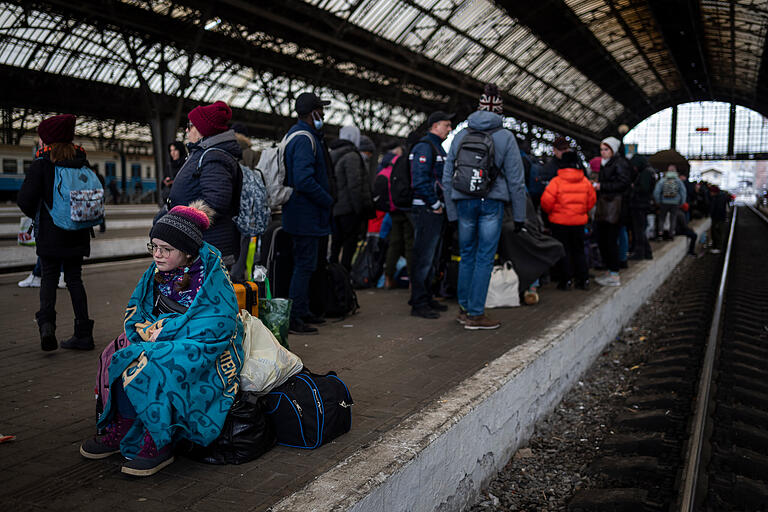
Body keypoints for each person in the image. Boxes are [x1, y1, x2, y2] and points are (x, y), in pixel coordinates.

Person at [79, 201, 243, 477]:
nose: (157, 254)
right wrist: (149, 331)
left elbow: (218, 324)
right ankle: (124, 425)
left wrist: (165, 330)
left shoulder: (212, 276)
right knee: (119, 349)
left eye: (166, 249)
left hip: (204, 346)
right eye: (153, 246)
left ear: (188, 252)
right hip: (164, 336)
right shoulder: (156, 272)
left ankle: (159, 440)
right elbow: (138, 310)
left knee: (157, 362)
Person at [443, 84, 526, 329]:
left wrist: (451, 211)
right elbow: (516, 180)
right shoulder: (506, 137)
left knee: (466, 255)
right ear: (500, 112)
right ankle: (476, 315)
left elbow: (448, 174)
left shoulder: (460, 134)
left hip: (463, 201)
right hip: (491, 203)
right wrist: (520, 216)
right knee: (484, 258)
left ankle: (464, 308)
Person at [17, 114, 95, 351]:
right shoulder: (82, 161)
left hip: (51, 233)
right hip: (78, 231)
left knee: (49, 277)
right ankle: (83, 334)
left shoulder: (42, 163)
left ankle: (47, 327)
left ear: (47, 139)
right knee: (74, 279)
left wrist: (41, 213)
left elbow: (25, 199)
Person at [166, 100, 242, 267]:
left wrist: (176, 220)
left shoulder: (214, 157)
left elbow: (216, 202)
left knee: (204, 293)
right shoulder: (203, 154)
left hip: (208, 246)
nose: (186, 129)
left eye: (190, 125)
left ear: (202, 129)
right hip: (199, 242)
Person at [282, 92, 334, 335]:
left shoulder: (298, 135)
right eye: (321, 110)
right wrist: (327, 199)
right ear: (313, 113)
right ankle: (295, 318)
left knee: (306, 264)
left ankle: (302, 311)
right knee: (304, 265)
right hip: (306, 215)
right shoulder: (304, 139)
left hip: (302, 215)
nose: (323, 114)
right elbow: (303, 179)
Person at [408, 110, 453, 318]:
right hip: (427, 209)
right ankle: (419, 302)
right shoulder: (425, 147)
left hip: (434, 209)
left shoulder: (437, 147)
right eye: (447, 124)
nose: (449, 128)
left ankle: (426, 297)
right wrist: (434, 203)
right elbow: (419, 179)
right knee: (424, 257)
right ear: (435, 126)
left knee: (432, 256)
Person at [540, 151, 596, 290]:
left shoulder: (556, 182)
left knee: (563, 251)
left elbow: (546, 202)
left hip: (559, 222)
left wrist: (552, 213)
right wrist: (581, 211)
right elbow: (591, 201)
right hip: (579, 222)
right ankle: (583, 280)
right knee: (579, 250)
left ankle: (565, 281)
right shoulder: (585, 182)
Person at [330, 125, 371, 270]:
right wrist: (360, 209)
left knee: (335, 246)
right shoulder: (352, 156)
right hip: (349, 209)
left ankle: (333, 280)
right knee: (348, 247)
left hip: (335, 208)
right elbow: (355, 185)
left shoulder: (332, 154)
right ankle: (344, 280)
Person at [593, 136, 631, 287]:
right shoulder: (606, 163)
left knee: (610, 240)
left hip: (614, 208)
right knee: (604, 239)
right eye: (601, 149)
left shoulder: (619, 163)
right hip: (606, 207)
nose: (603, 152)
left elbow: (623, 183)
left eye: (606, 149)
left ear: (613, 150)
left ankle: (614, 274)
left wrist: (601, 186)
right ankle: (610, 271)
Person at [229, 123, 261, 283]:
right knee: (248, 246)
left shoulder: (226, 152)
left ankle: (234, 277)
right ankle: (247, 278)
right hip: (249, 207)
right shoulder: (253, 155)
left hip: (230, 206)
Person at [628, 154, 656, 260]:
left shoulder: (645, 173)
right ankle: (647, 253)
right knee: (640, 230)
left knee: (639, 230)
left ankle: (640, 253)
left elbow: (644, 188)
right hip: (644, 204)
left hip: (640, 204)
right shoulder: (649, 171)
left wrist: (634, 187)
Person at [653, 165, 686, 240]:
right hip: (675, 202)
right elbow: (683, 192)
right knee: (673, 218)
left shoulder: (663, 180)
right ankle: (671, 234)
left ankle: (660, 234)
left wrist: (658, 201)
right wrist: (682, 202)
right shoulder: (678, 180)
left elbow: (656, 191)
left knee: (662, 218)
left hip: (664, 202)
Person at [708, 185, 729, 254]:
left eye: (711, 191)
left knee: (717, 232)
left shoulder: (718, 198)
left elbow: (717, 209)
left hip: (718, 218)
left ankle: (717, 247)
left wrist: (715, 218)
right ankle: (717, 246)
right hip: (719, 218)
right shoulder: (721, 196)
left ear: (714, 192)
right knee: (717, 232)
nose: (710, 193)